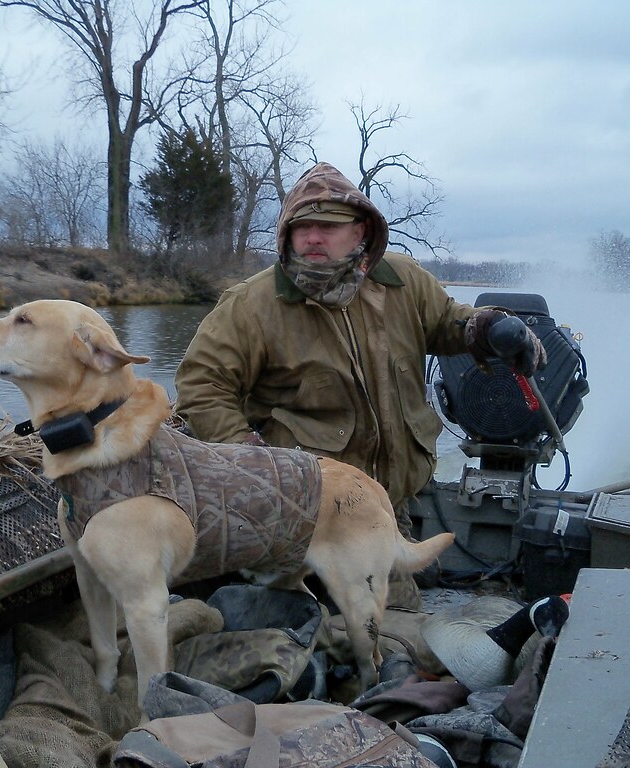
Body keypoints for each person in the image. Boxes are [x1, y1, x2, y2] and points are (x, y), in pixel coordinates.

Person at [173, 162, 545, 607]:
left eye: (328, 226)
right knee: (339, 630)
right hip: (303, 512)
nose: (313, 237)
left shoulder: (403, 281)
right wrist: (249, 461)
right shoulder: (251, 306)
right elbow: (203, 382)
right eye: (302, 226)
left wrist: (489, 328)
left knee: (392, 620)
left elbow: (450, 322)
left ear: (361, 232)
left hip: (388, 507)